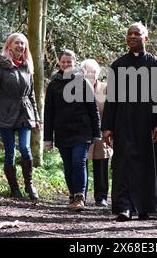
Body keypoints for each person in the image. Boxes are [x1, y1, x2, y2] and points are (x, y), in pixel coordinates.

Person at [102, 22, 157, 221]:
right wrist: (107, 128)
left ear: (145, 38)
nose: (132, 36)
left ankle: (145, 206)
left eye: (137, 33)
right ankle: (124, 206)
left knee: (146, 164)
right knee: (122, 164)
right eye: (129, 33)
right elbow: (111, 98)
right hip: (123, 122)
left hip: (147, 122)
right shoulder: (118, 65)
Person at [44, 49, 101, 212]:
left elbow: (93, 109)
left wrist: (96, 133)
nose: (67, 64)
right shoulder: (54, 84)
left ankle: (79, 196)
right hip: (62, 131)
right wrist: (48, 138)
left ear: (74, 62)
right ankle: (72, 194)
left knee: (78, 161)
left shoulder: (83, 82)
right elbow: (48, 112)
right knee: (68, 164)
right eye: (64, 61)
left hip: (82, 130)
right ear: (59, 63)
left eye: (69, 61)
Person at [0, 33, 40, 200]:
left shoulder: (28, 66)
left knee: (25, 148)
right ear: (9, 45)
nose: (20, 46)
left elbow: (32, 95)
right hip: (6, 111)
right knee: (10, 152)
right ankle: (14, 188)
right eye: (17, 43)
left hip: (25, 113)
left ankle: (29, 184)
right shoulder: (1, 66)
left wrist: (36, 117)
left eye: (23, 43)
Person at [81, 59, 113, 207]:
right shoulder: (77, 88)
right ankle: (81, 196)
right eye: (87, 71)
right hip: (83, 132)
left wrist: (109, 130)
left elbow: (112, 110)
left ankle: (101, 197)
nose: (90, 74)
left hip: (102, 132)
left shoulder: (106, 88)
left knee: (102, 165)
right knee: (81, 164)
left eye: (93, 72)